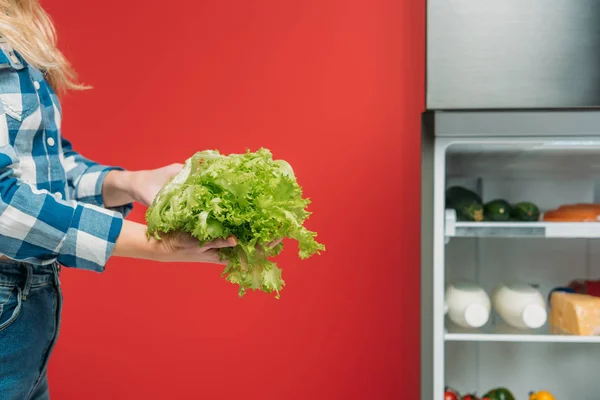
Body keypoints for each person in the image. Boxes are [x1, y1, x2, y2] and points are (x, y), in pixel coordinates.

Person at [0, 1, 238, 398]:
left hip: (30, 312)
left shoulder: (17, 22)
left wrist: (129, 182)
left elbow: (42, 171)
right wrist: (154, 245)